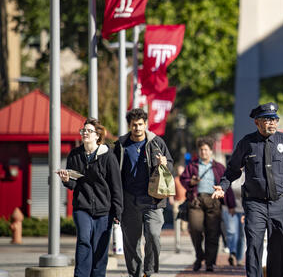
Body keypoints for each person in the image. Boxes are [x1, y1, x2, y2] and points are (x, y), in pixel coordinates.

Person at [213, 102, 283, 277]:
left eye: (275, 119)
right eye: (267, 120)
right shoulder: (247, 143)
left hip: (280, 204)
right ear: (257, 122)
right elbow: (233, 169)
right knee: (254, 245)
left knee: (278, 247)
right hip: (255, 204)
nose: (272, 123)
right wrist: (223, 186)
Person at [57, 118, 123, 277]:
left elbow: (116, 186)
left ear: (97, 135)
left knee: (100, 249)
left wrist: (117, 212)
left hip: (104, 210)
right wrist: (66, 180)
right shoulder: (75, 155)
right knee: (84, 241)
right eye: (83, 131)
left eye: (89, 131)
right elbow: (73, 184)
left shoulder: (108, 156)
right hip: (82, 207)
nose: (85, 133)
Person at [114, 108, 174, 277]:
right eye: (134, 125)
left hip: (152, 199)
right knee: (131, 243)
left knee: (154, 236)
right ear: (129, 126)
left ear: (146, 124)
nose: (138, 128)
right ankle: (135, 273)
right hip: (128, 200)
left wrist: (164, 163)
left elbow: (170, 166)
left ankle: (149, 271)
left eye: (141, 124)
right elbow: (113, 172)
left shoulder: (157, 143)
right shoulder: (120, 145)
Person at [180, 137, 236, 271]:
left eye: (206, 150)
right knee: (195, 230)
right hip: (196, 201)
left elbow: (225, 185)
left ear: (211, 151)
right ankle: (200, 256)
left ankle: (210, 262)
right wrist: (191, 182)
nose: (203, 152)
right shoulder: (192, 166)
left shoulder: (219, 167)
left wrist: (231, 205)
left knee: (213, 233)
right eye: (201, 150)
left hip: (214, 202)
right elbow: (183, 179)